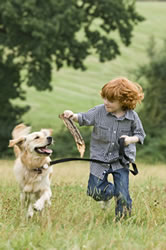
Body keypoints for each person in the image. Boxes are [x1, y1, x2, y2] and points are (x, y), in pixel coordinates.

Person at [63, 77, 146, 219]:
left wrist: (129, 140)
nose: (106, 102)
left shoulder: (133, 117)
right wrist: (73, 115)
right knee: (94, 191)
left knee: (123, 196)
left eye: (111, 100)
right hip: (99, 159)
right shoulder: (99, 111)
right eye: (105, 98)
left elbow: (140, 135)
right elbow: (83, 118)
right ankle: (112, 193)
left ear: (124, 101)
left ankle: (123, 221)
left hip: (121, 160)